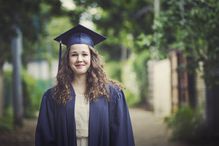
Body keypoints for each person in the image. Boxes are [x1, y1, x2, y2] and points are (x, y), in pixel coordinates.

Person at [35, 24, 135, 146]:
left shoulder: (112, 94)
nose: (79, 59)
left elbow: (121, 136)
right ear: (67, 59)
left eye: (84, 54)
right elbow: (45, 138)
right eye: (74, 54)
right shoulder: (53, 96)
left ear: (92, 58)